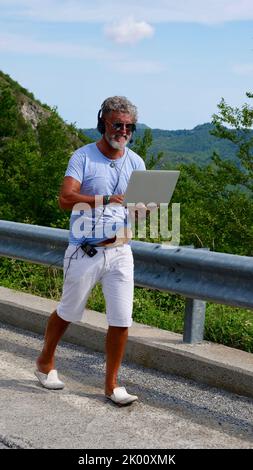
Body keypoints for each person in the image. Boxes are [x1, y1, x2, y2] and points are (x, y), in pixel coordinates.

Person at [35, 96, 146, 406]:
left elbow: (135, 212)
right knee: (69, 312)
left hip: (122, 251)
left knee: (122, 319)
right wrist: (105, 199)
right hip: (86, 250)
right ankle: (45, 361)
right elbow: (65, 199)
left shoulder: (137, 162)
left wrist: (144, 209)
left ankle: (111, 386)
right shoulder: (82, 157)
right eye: (117, 124)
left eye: (128, 126)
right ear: (103, 124)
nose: (123, 130)